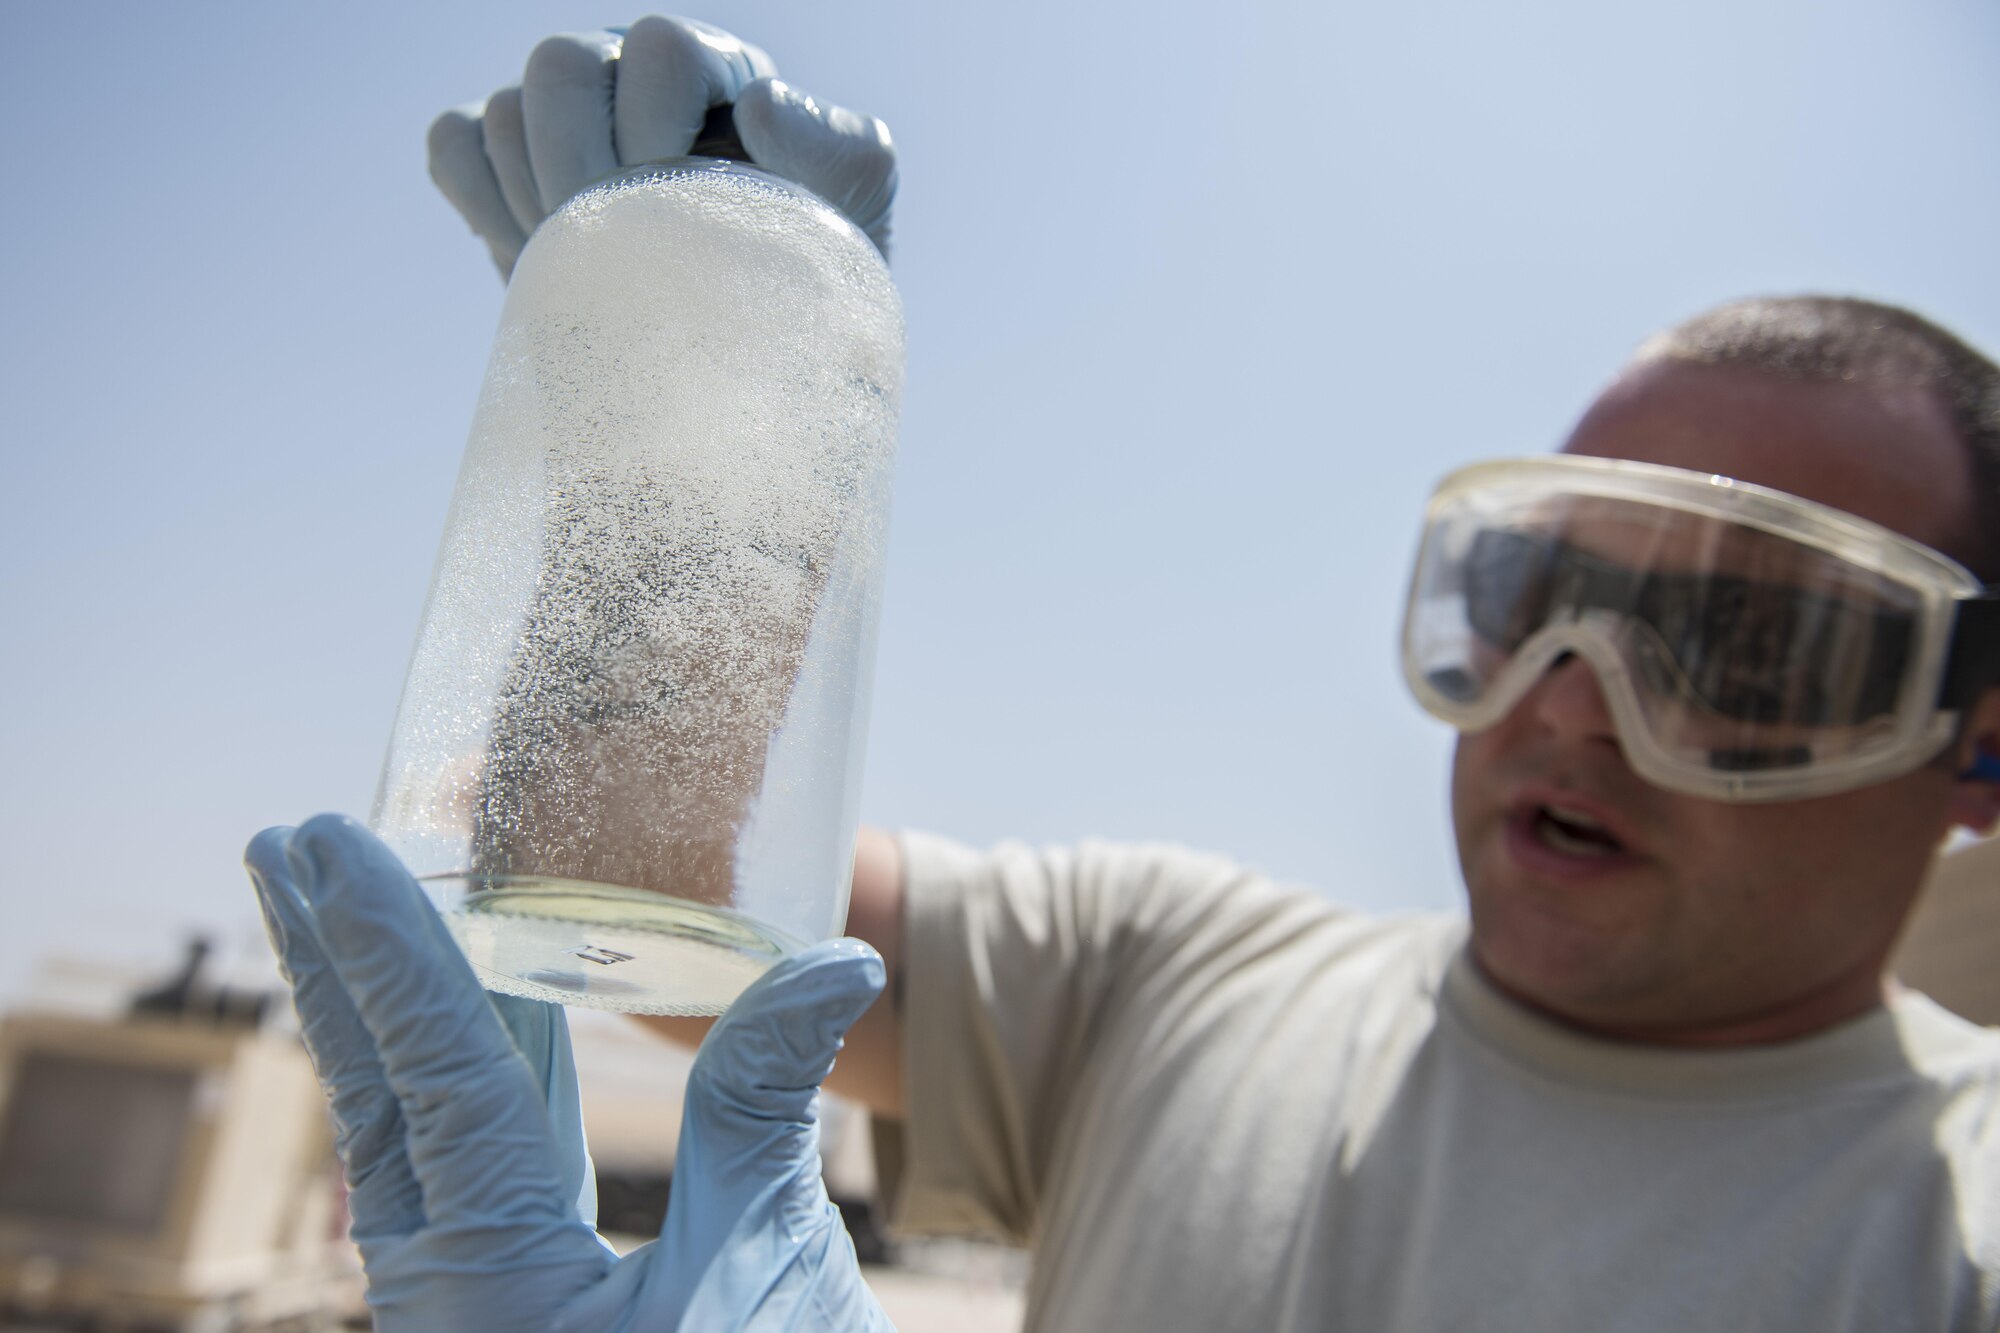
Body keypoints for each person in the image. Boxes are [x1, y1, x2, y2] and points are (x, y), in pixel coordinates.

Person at [254, 17, 2000, 1331]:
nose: (1566, 697)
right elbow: (638, 886)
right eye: (1536, 592)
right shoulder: (1169, 973)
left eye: (1749, 645)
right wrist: (713, 409)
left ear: (1975, 742)